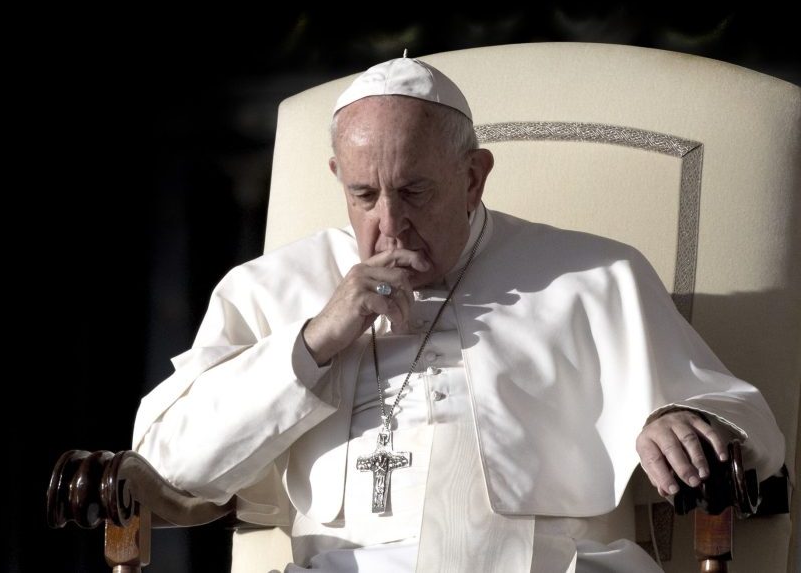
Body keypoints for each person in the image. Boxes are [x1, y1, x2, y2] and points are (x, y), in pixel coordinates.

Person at [131, 55, 785, 572]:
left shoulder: (594, 274)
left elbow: (747, 424)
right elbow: (165, 465)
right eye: (363, 195)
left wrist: (679, 418)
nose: (390, 224)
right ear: (337, 176)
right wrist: (312, 343)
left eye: (414, 190)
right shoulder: (266, 288)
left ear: (473, 177)